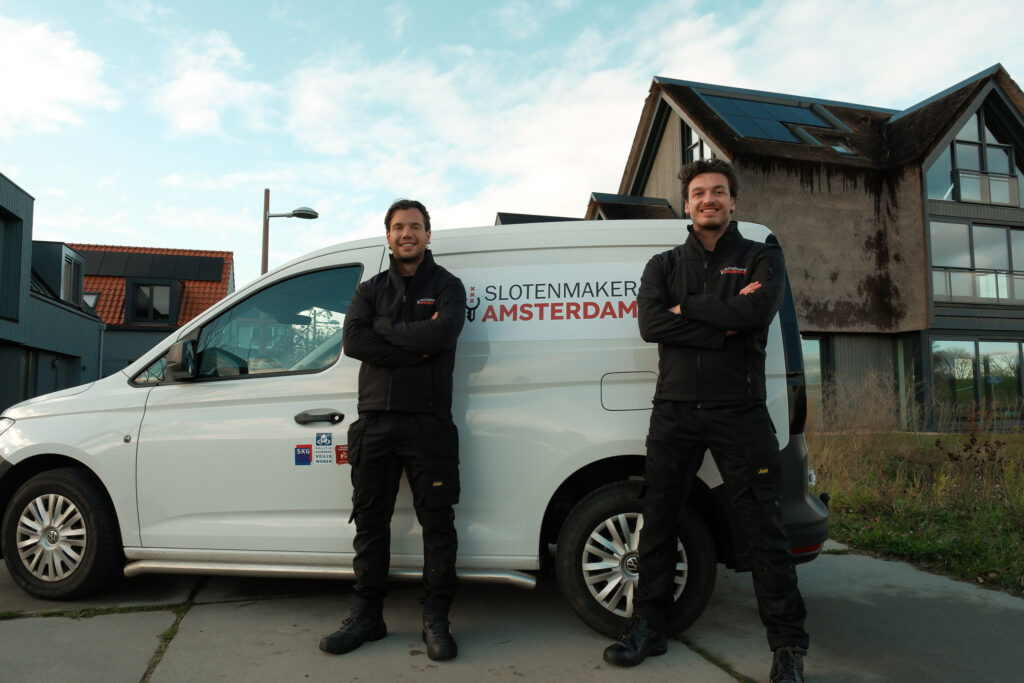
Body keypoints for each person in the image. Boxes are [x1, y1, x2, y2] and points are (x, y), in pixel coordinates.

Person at [603, 159, 809, 683]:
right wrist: (721, 320)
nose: (708, 200)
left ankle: (787, 648)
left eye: (718, 192)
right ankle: (648, 627)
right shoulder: (663, 264)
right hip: (674, 409)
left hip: (740, 409)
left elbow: (755, 314)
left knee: (764, 529)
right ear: (687, 205)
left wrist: (686, 311)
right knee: (658, 521)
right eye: (698, 193)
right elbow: (651, 324)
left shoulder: (761, 256)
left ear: (732, 201)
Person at [320, 199, 466, 661]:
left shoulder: (447, 286)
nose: (407, 233)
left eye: (415, 226)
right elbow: (353, 341)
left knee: (437, 524)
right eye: (399, 227)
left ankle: (436, 620)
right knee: (369, 523)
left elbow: (442, 336)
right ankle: (368, 617)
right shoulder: (370, 290)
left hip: (428, 423)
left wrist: (384, 331)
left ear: (428, 234)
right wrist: (414, 348)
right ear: (388, 235)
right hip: (375, 422)